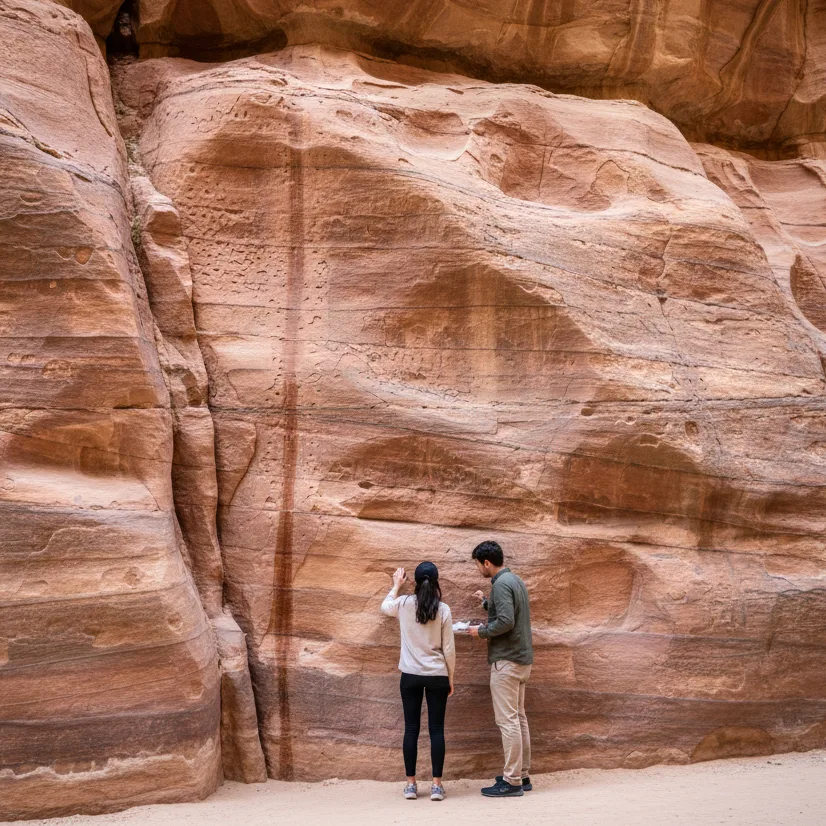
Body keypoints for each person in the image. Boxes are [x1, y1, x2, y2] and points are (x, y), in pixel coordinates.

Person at [381, 561, 456, 802]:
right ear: (436, 583)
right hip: (437, 675)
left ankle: (411, 785)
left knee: (411, 729)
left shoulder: (403, 604)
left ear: (414, 581)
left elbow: (385, 607)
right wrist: (450, 677)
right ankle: (436, 786)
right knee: (437, 730)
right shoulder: (443, 609)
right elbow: (449, 648)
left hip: (410, 675)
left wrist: (396, 586)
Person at [467, 540, 533, 798]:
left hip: (507, 661)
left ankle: (512, 781)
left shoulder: (501, 584)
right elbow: (507, 611)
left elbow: (505, 621)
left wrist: (481, 631)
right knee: (519, 718)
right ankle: (522, 775)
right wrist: (486, 603)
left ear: (486, 563)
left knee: (508, 721)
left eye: (477, 564)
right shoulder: (514, 580)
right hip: (521, 660)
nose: (478, 569)